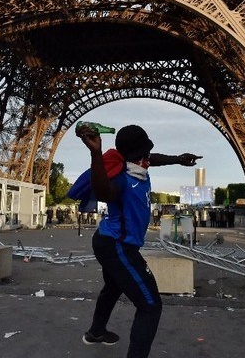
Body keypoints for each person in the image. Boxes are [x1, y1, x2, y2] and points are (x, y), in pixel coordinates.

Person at [75, 124, 201, 357]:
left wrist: (178, 159)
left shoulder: (139, 164)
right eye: (143, 154)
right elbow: (103, 193)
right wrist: (95, 153)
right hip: (117, 245)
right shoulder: (122, 178)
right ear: (131, 156)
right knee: (150, 306)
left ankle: (96, 332)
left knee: (113, 286)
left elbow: (155, 158)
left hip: (110, 241)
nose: (147, 158)